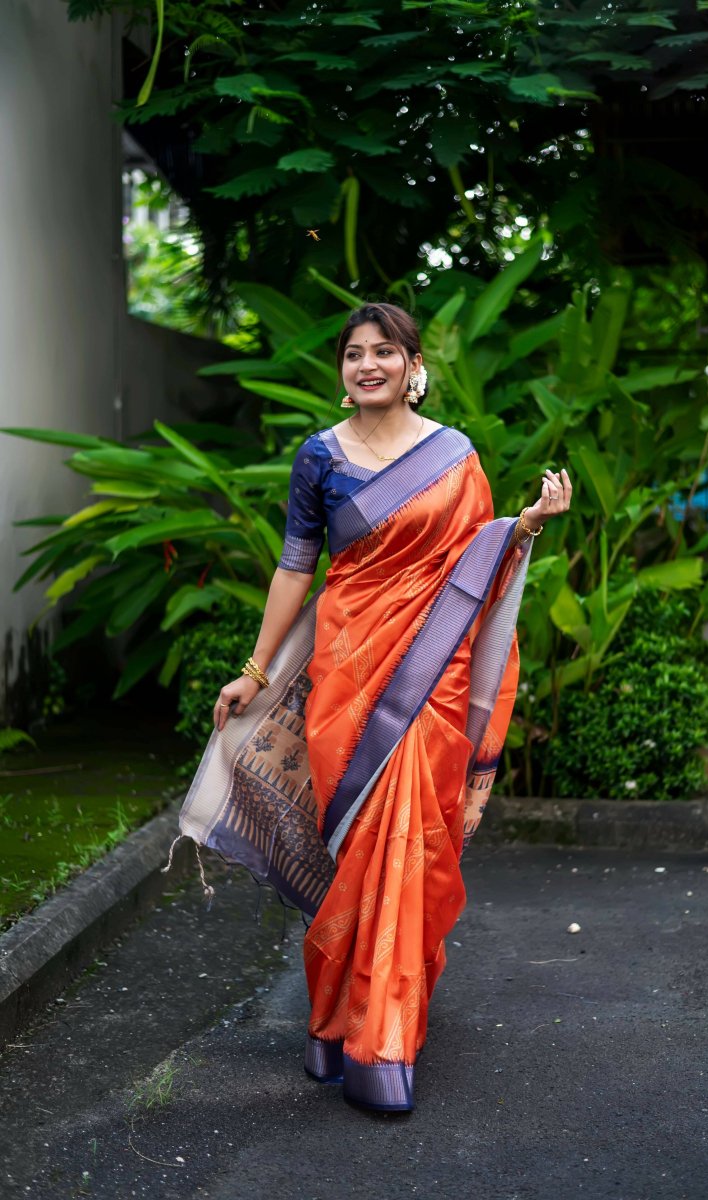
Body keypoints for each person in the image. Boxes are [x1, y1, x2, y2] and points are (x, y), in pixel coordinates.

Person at [166, 302, 571, 1113]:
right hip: (346, 677)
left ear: (412, 363)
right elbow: (296, 568)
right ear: (343, 371)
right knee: (354, 849)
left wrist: (523, 525)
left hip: (432, 674)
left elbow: (475, 558)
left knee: (409, 842)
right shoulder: (320, 459)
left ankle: (381, 1043)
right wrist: (253, 668)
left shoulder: (454, 456)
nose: (368, 365)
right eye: (354, 354)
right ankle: (331, 1022)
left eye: (384, 351)